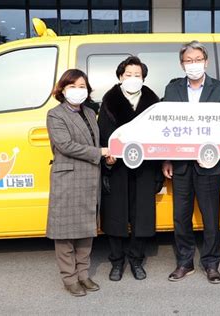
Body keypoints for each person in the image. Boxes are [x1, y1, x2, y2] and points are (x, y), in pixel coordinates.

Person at [162, 40, 220, 284]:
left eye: (197, 60)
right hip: (180, 163)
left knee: (210, 215)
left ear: (206, 62)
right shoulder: (172, 90)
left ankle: (211, 263)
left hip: (209, 163)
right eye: (188, 61)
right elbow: (165, 126)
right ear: (182, 64)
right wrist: (167, 159)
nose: (193, 64)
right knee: (181, 216)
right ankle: (184, 262)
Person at [98, 56, 163, 281]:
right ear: (120, 77)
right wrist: (107, 159)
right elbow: (103, 135)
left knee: (141, 215)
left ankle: (136, 260)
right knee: (116, 214)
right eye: (128, 75)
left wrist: (158, 168)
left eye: (137, 75)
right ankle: (117, 262)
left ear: (143, 78)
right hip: (117, 168)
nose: (133, 79)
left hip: (145, 168)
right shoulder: (109, 100)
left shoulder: (153, 102)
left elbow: (159, 136)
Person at [46, 69, 109, 296]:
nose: (78, 91)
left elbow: (96, 140)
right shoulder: (56, 114)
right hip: (68, 177)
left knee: (86, 230)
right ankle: (69, 278)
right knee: (64, 232)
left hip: (90, 176)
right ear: (62, 90)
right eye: (72, 86)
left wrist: (106, 154)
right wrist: (100, 152)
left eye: (82, 86)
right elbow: (65, 145)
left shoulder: (91, 113)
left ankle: (83, 274)